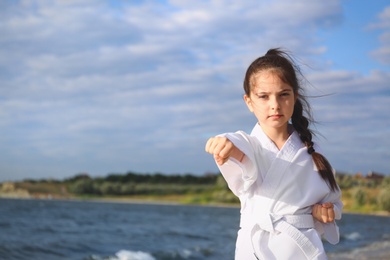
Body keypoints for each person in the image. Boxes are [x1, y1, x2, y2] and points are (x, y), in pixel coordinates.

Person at [205, 48, 342, 260]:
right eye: (263, 96)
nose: (275, 105)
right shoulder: (248, 145)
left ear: (295, 97)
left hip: (300, 250)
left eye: (283, 95)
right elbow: (240, 150)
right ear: (249, 101)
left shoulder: (313, 152)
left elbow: (333, 203)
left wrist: (324, 211)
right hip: (253, 250)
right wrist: (225, 142)